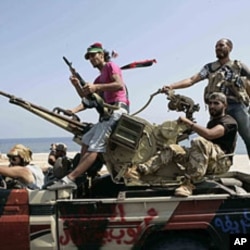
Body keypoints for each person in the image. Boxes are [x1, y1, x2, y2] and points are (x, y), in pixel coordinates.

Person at [48, 42, 129, 190]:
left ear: (102, 54)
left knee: (95, 146)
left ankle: (70, 178)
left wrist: (96, 87)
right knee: (86, 139)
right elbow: (87, 98)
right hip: (107, 114)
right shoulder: (99, 79)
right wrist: (76, 85)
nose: (91, 59)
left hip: (117, 110)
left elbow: (119, 84)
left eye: (93, 55)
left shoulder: (111, 66)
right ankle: (78, 174)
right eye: (89, 57)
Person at [162, 38, 250, 159]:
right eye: (216, 46)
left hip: (236, 106)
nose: (218, 48)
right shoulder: (210, 67)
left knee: (248, 137)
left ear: (230, 48)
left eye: (221, 45)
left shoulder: (238, 66)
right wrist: (172, 86)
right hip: (217, 109)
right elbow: (191, 80)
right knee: (214, 140)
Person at [165, 92, 237, 197]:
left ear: (225, 105)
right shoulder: (211, 123)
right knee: (172, 149)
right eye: (210, 103)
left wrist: (190, 123)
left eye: (216, 103)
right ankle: (139, 171)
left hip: (221, 163)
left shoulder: (229, 122)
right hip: (209, 160)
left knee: (198, 141)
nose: (212, 106)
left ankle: (189, 183)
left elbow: (210, 134)